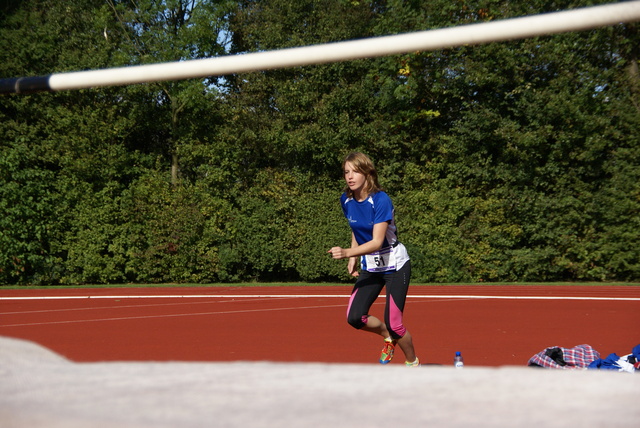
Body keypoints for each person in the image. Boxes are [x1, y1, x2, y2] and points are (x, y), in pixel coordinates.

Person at [328, 152, 420, 367]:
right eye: (346, 172)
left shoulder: (380, 200)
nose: (350, 177)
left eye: (355, 171)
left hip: (395, 265)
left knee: (396, 324)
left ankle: (413, 363)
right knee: (354, 317)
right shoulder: (346, 199)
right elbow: (356, 228)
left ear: (367, 173)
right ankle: (388, 336)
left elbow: (377, 241)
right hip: (370, 266)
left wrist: (347, 253)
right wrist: (353, 256)